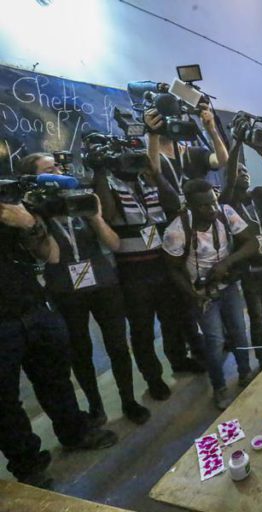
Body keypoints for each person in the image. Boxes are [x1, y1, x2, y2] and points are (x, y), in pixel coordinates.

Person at [0, 200, 117, 489]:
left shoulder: (10, 209)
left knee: (55, 380)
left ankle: (74, 433)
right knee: (4, 402)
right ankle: (28, 467)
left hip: (33, 308)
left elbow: (51, 255)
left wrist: (29, 224)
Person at [36, 169, 151, 426]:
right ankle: (96, 406)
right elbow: (51, 256)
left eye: (57, 168)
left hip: (103, 284)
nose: (56, 173)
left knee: (118, 346)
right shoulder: (37, 213)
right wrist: (43, 217)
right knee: (80, 351)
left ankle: (129, 400)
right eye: (47, 170)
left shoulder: (82, 203)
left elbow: (114, 244)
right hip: (65, 290)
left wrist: (95, 217)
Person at [91, 134, 195, 401]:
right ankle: (153, 377)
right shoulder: (109, 186)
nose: (132, 162)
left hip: (161, 266)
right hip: (132, 273)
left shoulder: (147, 184)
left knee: (171, 321)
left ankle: (179, 359)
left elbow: (173, 205)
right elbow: (109, 214)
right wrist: (101, 171)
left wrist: (155, 174)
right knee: (142, 330)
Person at [162, 179, 258, 410]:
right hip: (201, 292)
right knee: (214, 342)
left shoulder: (225, 213)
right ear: (191, 207)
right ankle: (219, 387)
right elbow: (172, 269)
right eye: (204, 206)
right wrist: (194, 296)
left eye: (213, 202)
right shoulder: (177, 231)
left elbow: (252, 243)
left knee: (238, 331)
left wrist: (226, 263)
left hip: (228, 286)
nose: (212, 209)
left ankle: (245, 374)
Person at [219, 131, 262, 373]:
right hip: (251, 272)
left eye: (246, 171)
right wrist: (236, 142)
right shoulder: (228, 202)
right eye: (239, 172)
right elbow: (228, 179)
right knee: (257, 321)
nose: (244, 175)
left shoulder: (257, 195)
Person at [145, 103, 228, 201]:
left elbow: (222, 160)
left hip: (201, 210)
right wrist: (153, 134)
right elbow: (154, 174)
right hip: (172, 211)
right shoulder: (151, 157)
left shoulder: (194, 153)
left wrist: (211, 130)